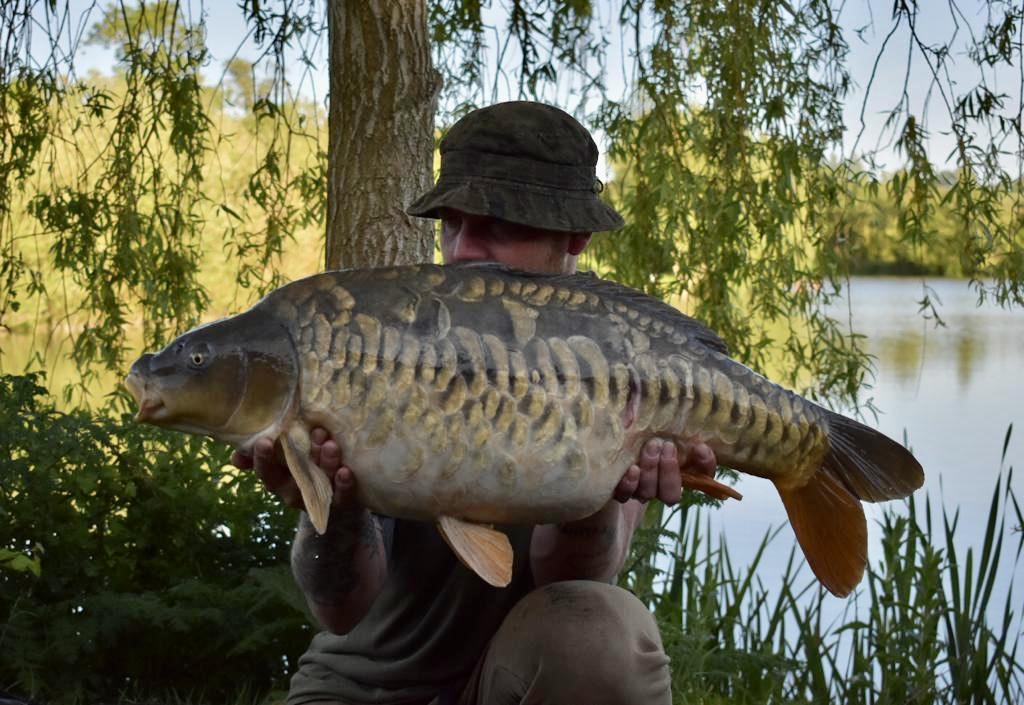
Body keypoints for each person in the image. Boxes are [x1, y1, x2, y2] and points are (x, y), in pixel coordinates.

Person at [232, 101, 720, 705]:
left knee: (601, 633)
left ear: (575, 237)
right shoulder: (382, 342)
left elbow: (570, 581)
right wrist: (331, 506)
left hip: (509, 683)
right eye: (451, 223)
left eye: (498, 224)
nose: (463, 249)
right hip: (358, 691)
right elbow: (340, 610)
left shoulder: (620, 361)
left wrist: (604, 491)